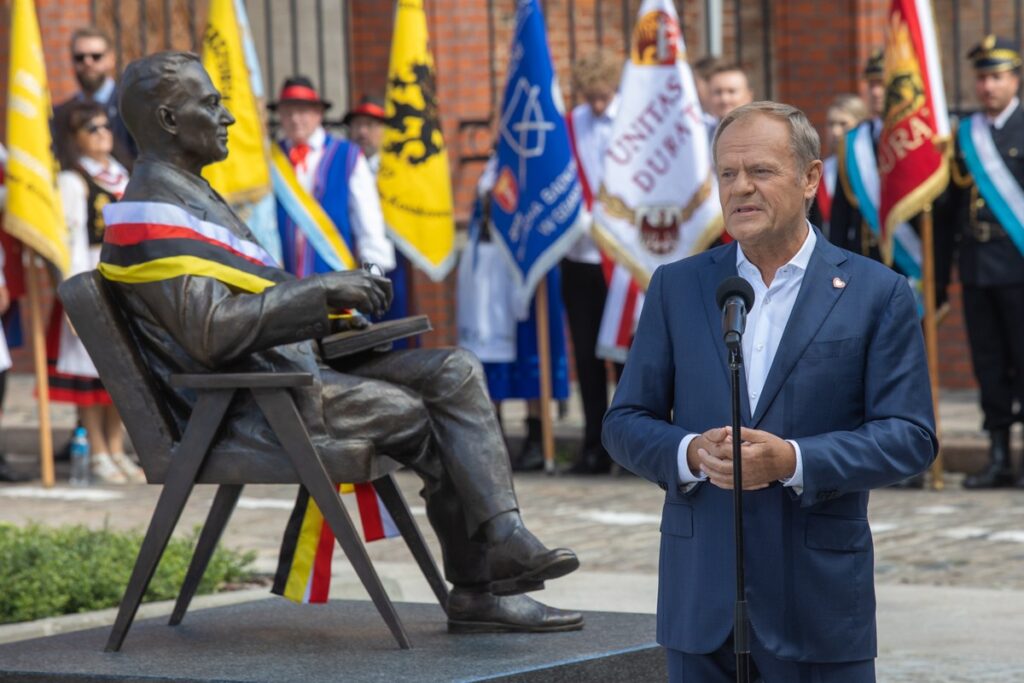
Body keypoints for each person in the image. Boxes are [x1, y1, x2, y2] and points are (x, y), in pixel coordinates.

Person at [102, 51, 581, 632]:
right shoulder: (150, 215)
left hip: (291, 371)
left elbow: (241, 306)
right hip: (246, 404)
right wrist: (318, 292)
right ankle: (481, 589)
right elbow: (210, 334)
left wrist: (334, 313)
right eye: (212, 104)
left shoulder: (188, 194)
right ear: (169, 120)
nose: (229, 117)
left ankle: (504, 537)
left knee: (453, 369)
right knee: (419, 412)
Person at [602, 101, 937, 680]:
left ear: (810, 178)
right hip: (698, 602)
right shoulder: (677, 287)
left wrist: (794, 460)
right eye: (727, 174)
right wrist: (688, 453)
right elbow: (625, 420)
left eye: (760, 171)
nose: (741, 188)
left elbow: (909, 437)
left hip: (818, 606)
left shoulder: (875, 292)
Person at [943, 36, 1024, 489]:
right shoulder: (964, 135)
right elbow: (952, 206)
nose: (988, 86)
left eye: (996, 76)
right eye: (981, 77)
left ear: (1015, 78)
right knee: (988, 364)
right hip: (977, 266)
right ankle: (998, 456)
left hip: (1018, 264)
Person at [456, 156, 570, 471]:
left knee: (531, 346)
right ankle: (494, 435)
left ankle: (536, 434)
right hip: (490, 272)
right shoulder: (491, 169)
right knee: (490, 351)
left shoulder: (539, 161)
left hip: (526, 268)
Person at [49, 101, 143, 484]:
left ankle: (117, 447)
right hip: (90, 277)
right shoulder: (73, 181)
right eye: (91, 129)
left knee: (122, 372)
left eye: (106, 127)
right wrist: (74, 294)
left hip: (125, 282)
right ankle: (98, 452)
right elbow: (70, 240)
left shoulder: (123, 176)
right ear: (74, 139)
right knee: (92, 371)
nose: (102, 134)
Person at [270, 77, 395, 280]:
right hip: (286, 287)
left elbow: (369, 228)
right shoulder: (272, 160)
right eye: (288, 111)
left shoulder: (348, 156)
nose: (294, 119)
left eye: (302, 111)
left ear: (318, 114)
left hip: (338, 284)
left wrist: (375, 280)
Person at [562, 50, 621, 475]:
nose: (598, 105)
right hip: (579, 253)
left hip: (620, 256)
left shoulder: (631, 121)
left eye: (603, 96)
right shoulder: (570, 125)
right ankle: (592, 444)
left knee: (624, 353)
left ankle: (628, 445)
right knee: (585, 354)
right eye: (591, 97)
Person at [341, 94, 411, 330]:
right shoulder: (344, 167)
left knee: (394, 323)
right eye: (357, 125)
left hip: (392, 261)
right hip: (352, 257)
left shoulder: (398, 173)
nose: (362, 132)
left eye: (370, 125)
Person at [52, 26, 135, 169]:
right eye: (80, 58)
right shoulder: (61, 114)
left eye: (96, 56)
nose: (88, 62)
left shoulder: (131, 105)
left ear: (111, 59)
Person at [814, 94, 868, 237]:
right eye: (831, 124)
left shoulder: (869, 172)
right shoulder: (819, 172)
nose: (836, 132)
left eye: (843, 124)